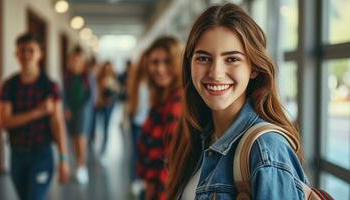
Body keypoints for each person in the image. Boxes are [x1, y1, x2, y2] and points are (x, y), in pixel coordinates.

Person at [167, 3, 308, 200]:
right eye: (203, 58)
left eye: (232, 59)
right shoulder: (199, 138)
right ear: (189, 64)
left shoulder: (266, 149)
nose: (216, 73)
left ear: (254, 68)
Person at [0, 33, 69, 200]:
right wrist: (38, 112)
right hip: (17, 154)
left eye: (31, 50)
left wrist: (63, 158)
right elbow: (3, 122)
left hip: (42, 153)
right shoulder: (9, 86)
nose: (27, 55)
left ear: (40, 54)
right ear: (16, 54)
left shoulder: (49, 86)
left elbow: (57, 123)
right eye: (22, 50)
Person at [137, 37, 183, 200]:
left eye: (167, 62)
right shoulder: (162, 98)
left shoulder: (178, 101)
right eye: (154, 62)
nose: (160, 69)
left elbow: (171, 160)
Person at [63, 46, 92, 184]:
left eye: (78, 59)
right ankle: (79, 164)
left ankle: (82, 167)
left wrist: (86, 111)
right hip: (70, 113)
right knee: (74, 141)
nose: (75, 62)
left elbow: (92, 96)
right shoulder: (67, 76)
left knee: (81, 141)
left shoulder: (87, 76)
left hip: (83, 113)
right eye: (73, 59)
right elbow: (64, 95)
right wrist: (66, 108)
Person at [126, 52, 151, 193]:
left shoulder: (155, 80)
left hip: (150, 122)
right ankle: (135, 180)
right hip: (137, 121)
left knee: (149, 152)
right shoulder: (136, 80)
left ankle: (146, 179)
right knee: (136, 152)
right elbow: (131, 100)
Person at [94, 61, 120, 157]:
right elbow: (97, 90)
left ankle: (104, 147)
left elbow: (117, 91)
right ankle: (97, 142)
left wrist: (112, 87)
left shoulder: (113, 78)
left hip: (110, 104)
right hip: (101, 104)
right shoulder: (100, 78)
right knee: (99, 124)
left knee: (106, 125)